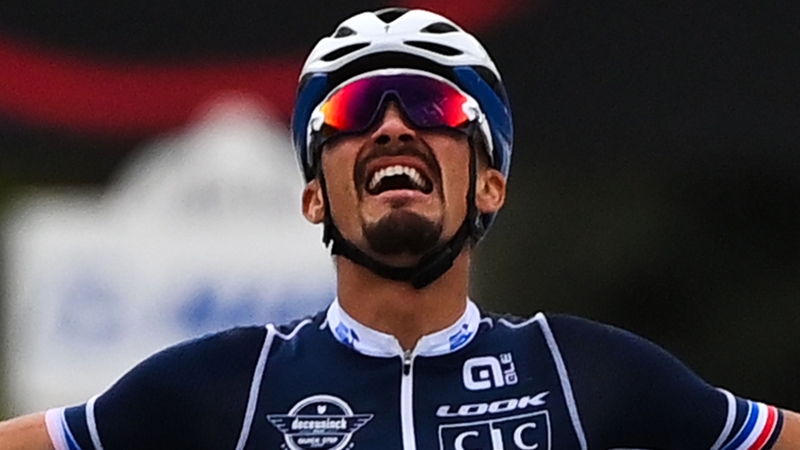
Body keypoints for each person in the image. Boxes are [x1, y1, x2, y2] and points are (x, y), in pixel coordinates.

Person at [1, 7, 798, 450]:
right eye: (350, 112)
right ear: (313, 196)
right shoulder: (224, 383)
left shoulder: (585, 368)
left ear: (491, 185)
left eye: (434, 109)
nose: (390, 127)